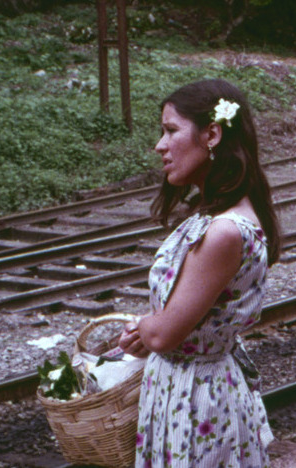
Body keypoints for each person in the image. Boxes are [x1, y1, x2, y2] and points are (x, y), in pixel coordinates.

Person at [118, 78, 280, 467]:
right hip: (184, 389)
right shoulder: (215, 216)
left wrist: (144, 329)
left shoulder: (224, 231)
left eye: (171, 130)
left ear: (212, 134)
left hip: (198, 400)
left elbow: (164, 332)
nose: (160, 145)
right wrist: (152, 331)